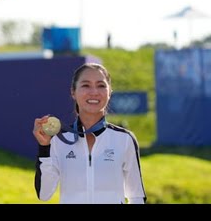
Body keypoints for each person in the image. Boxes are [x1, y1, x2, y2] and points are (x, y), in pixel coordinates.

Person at [33, 63, 146, 204]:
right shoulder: (59, 140)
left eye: (101, 85)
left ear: (110, 92)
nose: (94, 92)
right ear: (73, 92)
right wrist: (44, 148)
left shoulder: (124, 139)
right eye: (86, 85)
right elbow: (44, 194)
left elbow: (136, 197)